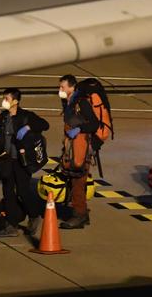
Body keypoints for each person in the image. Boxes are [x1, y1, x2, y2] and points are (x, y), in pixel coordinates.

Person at [0, 88, 49, 237]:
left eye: (7, 99)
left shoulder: (26, 116)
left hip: (21, 161)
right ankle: (11, 225)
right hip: (6, 159)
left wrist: (28, 127)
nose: (4, 101)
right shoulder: (3, 117)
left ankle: (34, 215)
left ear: (15, 101)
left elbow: (44, 124)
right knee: (8, 192)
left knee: (23, 191)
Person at [58, 75, 99, 229]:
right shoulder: (68, 102)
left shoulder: (81, 103)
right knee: (75, 182)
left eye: (62, 87)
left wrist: (79, 129)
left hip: (81, 149)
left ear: (72, 87)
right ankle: (82, 213)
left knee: (77, 182)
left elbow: (94, 124)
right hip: (72, 148)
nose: (60, 90)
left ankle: (79, 216)